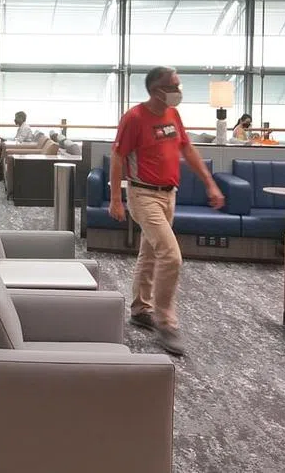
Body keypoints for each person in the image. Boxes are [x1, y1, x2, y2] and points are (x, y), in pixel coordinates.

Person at [108, 66, 224, 357]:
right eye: (172, 86)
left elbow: (187, 149)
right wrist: (115, 199)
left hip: (169, 194)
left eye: (178, 85)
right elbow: (118, 156)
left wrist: (210, 183)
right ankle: (166, 323)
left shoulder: (173, 115)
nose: (177, 91)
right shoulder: (134, 118)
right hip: (143, 194)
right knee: (171, 255)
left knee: (150, 253)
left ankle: (140, 309)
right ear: (155, 90)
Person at [0, 110, 36, 180]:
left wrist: (5, 142)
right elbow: (16, 140)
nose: (14, 120)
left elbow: (19, 142)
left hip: (22, 149)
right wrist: (4, 139)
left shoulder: (25, 128)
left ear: (21, 118)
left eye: (16, 118)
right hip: (19, 146)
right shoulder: (22, 127)